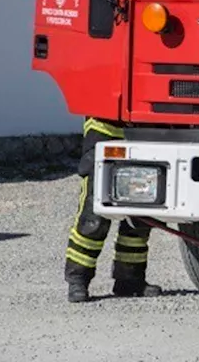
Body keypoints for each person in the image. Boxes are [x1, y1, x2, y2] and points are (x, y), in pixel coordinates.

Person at [64, 117, 162, 302]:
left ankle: (130, 280)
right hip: (105, 126)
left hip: (144, 127)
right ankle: (78, 279)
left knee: (141, 209)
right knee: (94, 215)